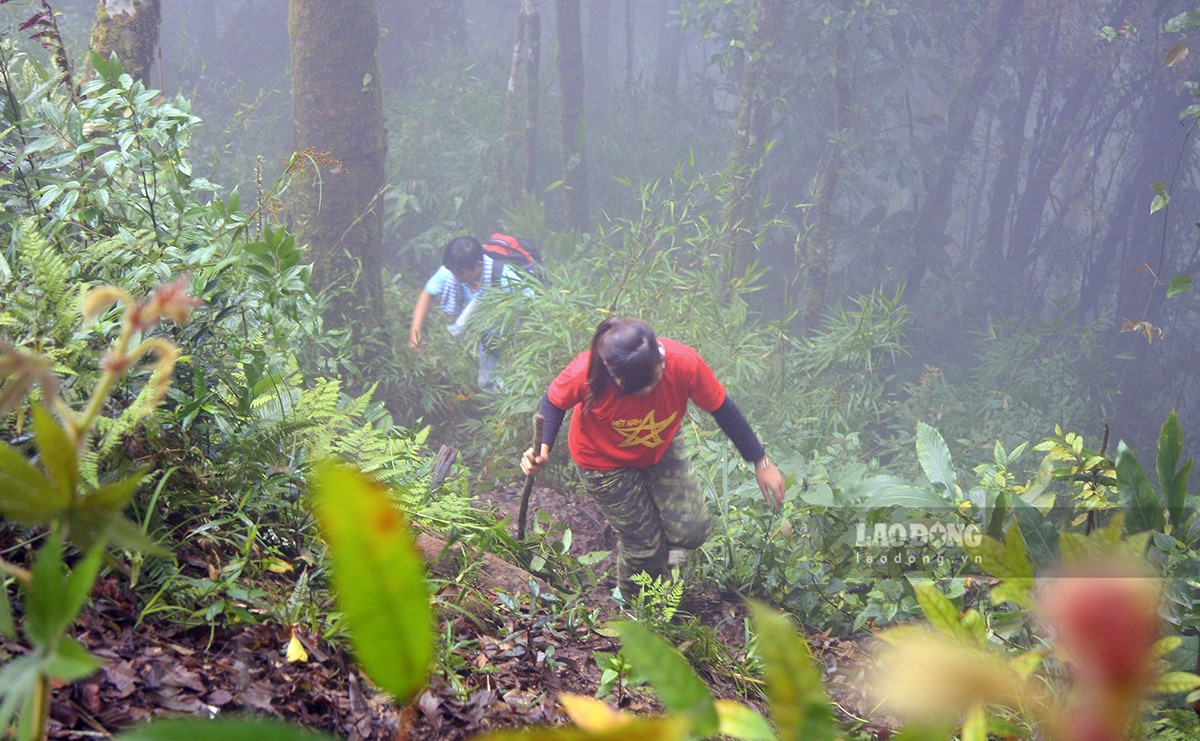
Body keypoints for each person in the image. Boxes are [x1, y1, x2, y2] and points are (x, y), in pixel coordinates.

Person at [520, 317, 787, 597]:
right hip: (602, 462)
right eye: (640, 388)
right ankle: (639, 611)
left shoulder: (684, 362)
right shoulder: (585, 373)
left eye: (655, 378)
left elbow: (724, 410)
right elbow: (552, 403)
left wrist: (761, 461)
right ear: (617, 377)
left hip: (661, 446)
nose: (650, 390)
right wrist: (543, 448)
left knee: (693, 531)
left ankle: (666, 559)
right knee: (645, 547)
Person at [408, 236, 520, 390]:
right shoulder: (454, 271)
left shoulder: (507, 277)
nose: (455, 277)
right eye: (452, 271)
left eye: (460, 273)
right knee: (487, 384)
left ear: (479, 266)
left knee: (511, 384)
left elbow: (533, 308)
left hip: (514, 339)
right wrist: (415, 335)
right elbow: (427, 293)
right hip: (487, 338)